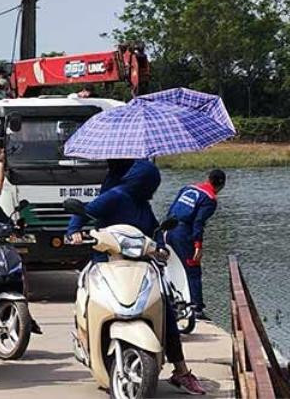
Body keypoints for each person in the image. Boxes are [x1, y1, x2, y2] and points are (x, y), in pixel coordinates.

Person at [65, 160, 206, 395]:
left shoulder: (143, 205)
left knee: (166, 309)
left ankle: (180, 370)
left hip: (139, 264)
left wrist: (160, 246)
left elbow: (155, 230)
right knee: (91, 297)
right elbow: (86, 212)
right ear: (142, 182)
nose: (152, 189)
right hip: (108, 261)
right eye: (151, 183)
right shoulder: (115, 196)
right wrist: (73, 232)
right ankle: (85, 339)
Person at [166, 169, 226, 321]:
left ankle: (174, 303)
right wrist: (198, 246)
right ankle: (196, 308)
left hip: (168, 230)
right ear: (221, 185)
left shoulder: (188, 188)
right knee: (193, 269)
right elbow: (198, 222)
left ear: (207, 178)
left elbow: (171, 209)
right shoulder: (210, 199)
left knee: (172, 268)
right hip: (183, 234)